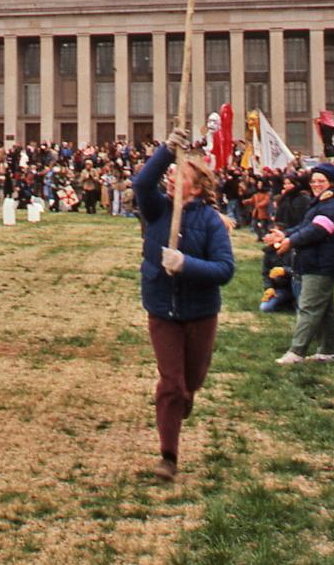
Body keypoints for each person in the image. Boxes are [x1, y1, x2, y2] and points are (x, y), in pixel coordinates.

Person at [133, 129, 235, 481]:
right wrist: (166, 151)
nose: (172, 179)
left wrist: (186, 265)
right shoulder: (158, 210)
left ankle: (186, 394)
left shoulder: (210, 222)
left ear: (196, 188)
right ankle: (168, 456)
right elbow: (142, 184)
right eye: (172, 175)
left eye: (181, 176)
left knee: (192, 379)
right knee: (171, 383)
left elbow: (225, 270)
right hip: (162, 308)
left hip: (199, 312)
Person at [267, 163, 334, 364]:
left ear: (332, 183)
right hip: (313, 261)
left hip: (322, 264)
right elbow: (305, 226)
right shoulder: (319, 204)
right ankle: (328, 351)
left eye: (321, 181)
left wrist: (290, 241)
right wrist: (286, 233)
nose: (316, 184)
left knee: (308, 307)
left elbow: (317, 230)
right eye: (313, 181)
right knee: (324, 309)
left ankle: (297, 352)